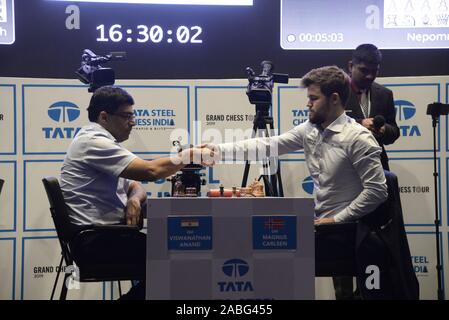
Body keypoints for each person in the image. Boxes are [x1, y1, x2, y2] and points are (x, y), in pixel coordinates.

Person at [208, 66, 389, 298]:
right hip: (325, 230)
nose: (308, 104)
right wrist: (216, 150)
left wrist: (336, 219)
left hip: (352, 233)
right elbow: (267, 145)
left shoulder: (358, 138)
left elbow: (377, 191)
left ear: (334, 99)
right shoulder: (310, 130)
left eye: (313, 98)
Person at [60, 86, 213, 299]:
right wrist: (187, 156)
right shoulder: (93, 143)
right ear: (104, 117)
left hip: (106, 237)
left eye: (133, 115)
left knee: (180, 255)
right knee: (180, 259)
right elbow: (151, 171)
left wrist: (133, 199)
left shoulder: (102, 142)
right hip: (97, 243)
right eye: (127, 116)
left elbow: (135, 185)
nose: (133, 122)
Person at [346, 43, 400, 171]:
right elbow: (327, 126)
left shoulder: (385, 93)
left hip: (377, 165)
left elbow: (394, 131)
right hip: (344, 166)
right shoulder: (335, 92)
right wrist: (360, 124)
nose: (369, 75)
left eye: (374, 71)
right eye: (364, 70)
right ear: (350, 66)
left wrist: (384, 129)